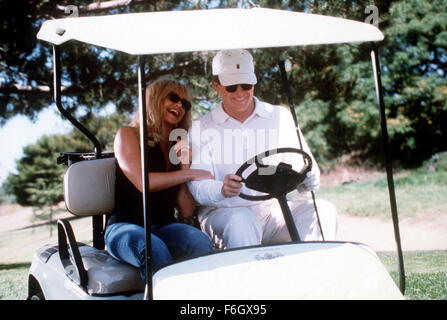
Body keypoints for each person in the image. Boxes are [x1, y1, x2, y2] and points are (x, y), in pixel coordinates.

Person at [187, 49, 338, 249]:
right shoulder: (201, 127)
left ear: (254, 82)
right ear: (217, 86)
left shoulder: (279, 116)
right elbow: (197, 187)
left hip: (274, 209)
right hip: (224, 213)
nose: (240, 92)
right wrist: (221, 189)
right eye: (231, 87)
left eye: (246, 85)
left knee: (324, 211)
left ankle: (309, 275)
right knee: (241, 220)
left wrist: (308, 178)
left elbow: (308, 168)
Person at [105, 78, 214, 283]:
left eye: (185, 103)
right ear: (155, 99)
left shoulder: (178, 145)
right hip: (124, 227)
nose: (179, 105)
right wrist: (189, 174)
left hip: (164, 226)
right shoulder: (128, 135)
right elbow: (142, 183)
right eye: (173, 98)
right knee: (153, 248)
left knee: (200, 242)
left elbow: (187, 210)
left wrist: (185, 166)